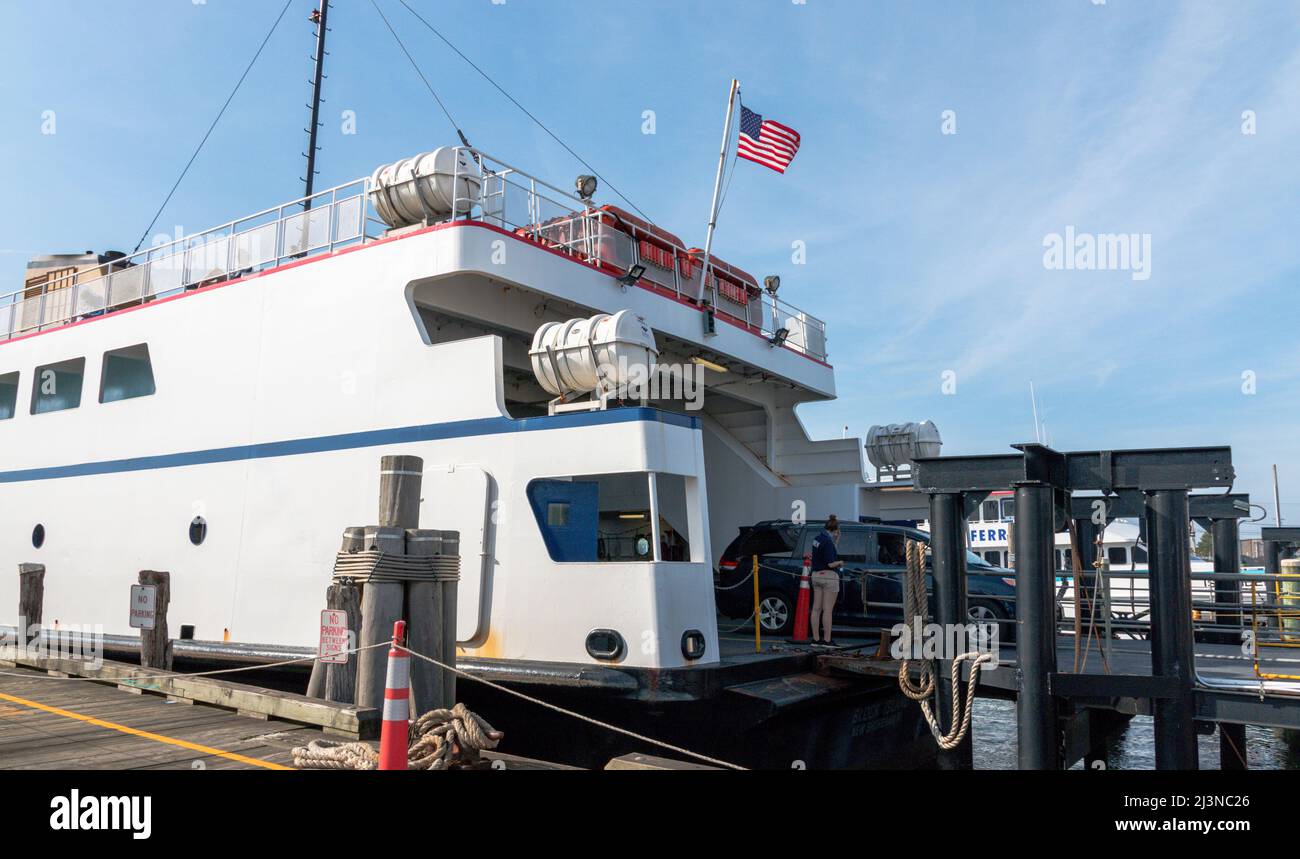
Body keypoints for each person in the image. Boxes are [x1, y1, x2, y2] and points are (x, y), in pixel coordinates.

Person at [808, 515, 844, 647]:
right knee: (827, 610)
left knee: (816, 609)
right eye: (837, 531)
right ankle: (827, 640)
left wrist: (836, 540)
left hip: (816, 575)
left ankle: (816, 639)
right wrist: (840, 562)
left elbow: (824, 554)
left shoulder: (817, 539)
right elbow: (830, 563)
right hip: (828, 576)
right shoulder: (828, 542)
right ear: (835, 530)